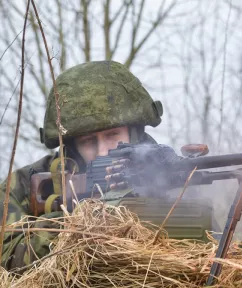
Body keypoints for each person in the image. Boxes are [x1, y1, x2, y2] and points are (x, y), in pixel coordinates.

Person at [0, 60, 211, 271]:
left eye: (113, 135)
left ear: (134, 132)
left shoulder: (164, 174)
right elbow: (5, 256)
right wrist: (79, 226)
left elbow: (209, 252)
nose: (102, 151)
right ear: (71, 146)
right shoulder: (22, 186)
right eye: (88, 141)